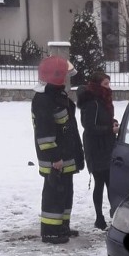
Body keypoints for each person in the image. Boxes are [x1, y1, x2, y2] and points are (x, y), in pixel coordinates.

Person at [31, 56, 84, 244]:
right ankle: (50, 231)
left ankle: (62, 226)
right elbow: (44, 134)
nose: (67, 79)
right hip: (55, 159)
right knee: (54, 194)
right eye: (64, 75)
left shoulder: (56, 94)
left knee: (66, 192)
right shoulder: (43, 99)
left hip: (65, 156)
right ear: (56, 76)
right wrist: (55, 158)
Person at [76, 69, 116, 231]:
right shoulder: (92, 102)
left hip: (107, 145)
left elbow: (103, 119)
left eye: (108, 83)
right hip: (96, 148)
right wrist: (109, 129)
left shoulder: (103, 99)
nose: (108, 87)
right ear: (97, 85)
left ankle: (114, 215)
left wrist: (112, 123)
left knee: (111, 183)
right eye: (105, 84)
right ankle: (99, 218)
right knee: (100, 182)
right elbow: (89, 127)